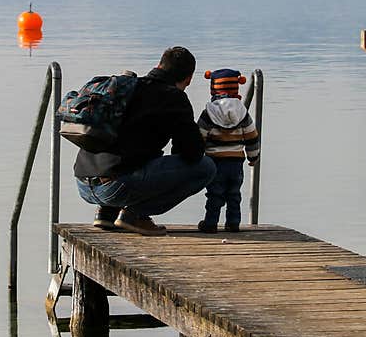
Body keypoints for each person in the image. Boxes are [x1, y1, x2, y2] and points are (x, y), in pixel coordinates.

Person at [74, 46, 217, 236]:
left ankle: (106, 213)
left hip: (83, 183)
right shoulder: (174, 98)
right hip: (116, 187)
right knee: (205, 168)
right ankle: (135, 215)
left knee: (130, 156)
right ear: (188, 79)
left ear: (158, 65)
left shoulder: (127, 88)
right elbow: (192, 154)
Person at [196, 68, 260, 233]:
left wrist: (196, 156)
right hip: (236, 162)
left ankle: (210, 223)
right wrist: (253, 157)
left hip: (214, 162)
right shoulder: (242, 112)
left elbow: (199, 137)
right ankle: (233, 223)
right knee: (234, 194)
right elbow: (252, 136)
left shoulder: (209, 112)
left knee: (214, 194)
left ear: (214, 88)